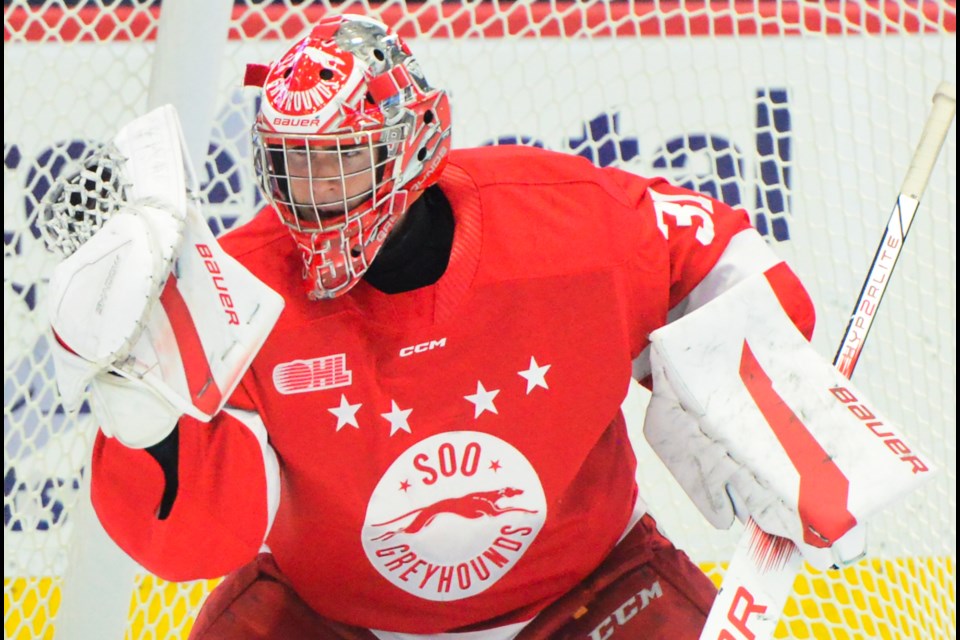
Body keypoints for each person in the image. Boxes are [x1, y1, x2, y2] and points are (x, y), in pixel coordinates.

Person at [64, 13, 821, 640]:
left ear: (411, 143)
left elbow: (723, 256)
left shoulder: (568, 225)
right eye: (294, 168)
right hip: (329, 621)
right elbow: (197, 538)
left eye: (342, 162)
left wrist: (752, 394)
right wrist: (145, 422)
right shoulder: (237, 291)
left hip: (588, 596)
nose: (317, 197)